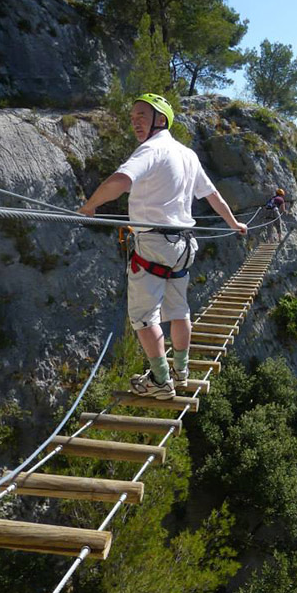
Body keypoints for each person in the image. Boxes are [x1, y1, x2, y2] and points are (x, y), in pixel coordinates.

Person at [78, 93, 247, 400]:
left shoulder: (151, 150)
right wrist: (234, 223)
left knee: (144, 317)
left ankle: (160, 380)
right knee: (179, 312)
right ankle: (180, 372)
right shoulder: (187, 155)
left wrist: (90, 206)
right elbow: (212, 196)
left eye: (142, 115)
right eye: (132, 118)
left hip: (153, 244)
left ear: (161, 119)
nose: (135, 123)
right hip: (183, 246)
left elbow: (120, 180)